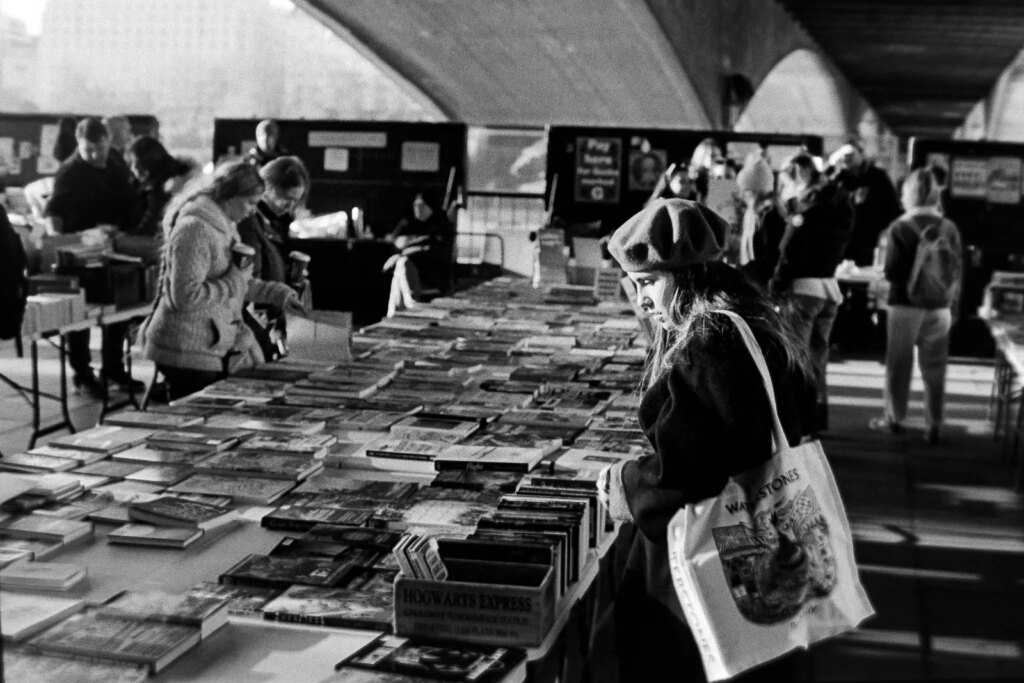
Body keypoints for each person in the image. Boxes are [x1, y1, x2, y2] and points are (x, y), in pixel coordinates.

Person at [598, 198, 816, 681]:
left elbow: (688, 470)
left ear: (687, 277)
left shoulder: (708, 345)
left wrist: (624, 483)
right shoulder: (752, 325)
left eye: (649, 283)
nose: (643, 301)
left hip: (711, 545)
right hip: (762, 524)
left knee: (674, 655)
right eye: (636, 285)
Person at [137, 160, 307, 400]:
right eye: (249, 203)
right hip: (185, 348)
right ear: (230, 195)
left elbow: (238, 283)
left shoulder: (225, 226)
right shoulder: (195, 230)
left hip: (206, 345)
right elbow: (185, 297)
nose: (251, 211)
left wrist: (279, 294)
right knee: (198, 423)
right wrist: (234, 281)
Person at [869, 168, 963, 445]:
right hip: (940, 306)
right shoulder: (949, 227)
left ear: (908, 193)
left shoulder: (900, 227)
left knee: (899, 364)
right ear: (935, 194)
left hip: (905, 305)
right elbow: (957, 272)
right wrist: (954, 305)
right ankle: (933, 424)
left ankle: (894, 419)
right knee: (935, 366)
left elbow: (892, 272)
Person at [45, 117, 137, 398]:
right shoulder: (69, 172)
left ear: (108, 142)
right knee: (81, 318)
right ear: (79, 146)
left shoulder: (117, 165)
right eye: (89, 151)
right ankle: (82, 373)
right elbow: (53, 216)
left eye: (100, 149)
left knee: (118, 311)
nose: (96, 156)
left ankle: (113, 367)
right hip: (79, 255)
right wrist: (61, 248)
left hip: (115, 249)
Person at [770, 153, 853, 434]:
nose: (786, 191)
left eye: (786, 183)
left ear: (799, 176)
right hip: (829, 287)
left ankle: (796, 425)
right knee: (817, 360)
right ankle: (815, 420)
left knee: (795, 360)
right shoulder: (840, 203)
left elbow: (789, 249)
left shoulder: (809, 207)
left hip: (802, 290)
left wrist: (777, 284)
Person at [237, 155, 311, 359]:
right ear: (268, 188)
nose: (291, 206)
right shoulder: (250, 222)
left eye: (296, 200)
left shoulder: (273, 222)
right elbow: (251, 278)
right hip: (255, 317)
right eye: (287, 198)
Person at [117, 136, 195, 265]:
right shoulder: (168, 176)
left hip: (165, 243)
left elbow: (150, 225)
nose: (132, 168)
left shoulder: (162, 188)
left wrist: (122, 235)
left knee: (115, 244)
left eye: (133, 163)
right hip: (172, 242)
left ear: (144, 165)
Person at [830, 140, 900, 266]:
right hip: (841, 240)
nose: (846, 158)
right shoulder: (839, 178)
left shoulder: (877, 176)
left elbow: (892, 207)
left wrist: (881, 230)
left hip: (867, 238)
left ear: (861, 154)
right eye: (844, 155)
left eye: (851, 154)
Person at [387, 188, 455, 296]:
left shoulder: (441, 222)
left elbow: (435, 248)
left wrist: (409, 248)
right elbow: (396, 240)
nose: (418, 209)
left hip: (433, 280)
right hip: (406, 279)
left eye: (422, 206)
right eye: (416, 205)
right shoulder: (408, 222)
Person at [735, 151, 786, 291]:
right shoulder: (755, 212)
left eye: (746, 191)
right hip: (754, 278)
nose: (743, 196)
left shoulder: (768, 212)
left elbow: (772, 251)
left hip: (761, 281)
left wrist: (768, 279)